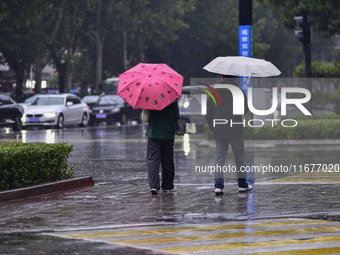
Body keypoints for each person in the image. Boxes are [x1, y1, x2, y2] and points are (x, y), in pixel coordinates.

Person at [206, 76, 252, 195]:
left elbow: (208, 113)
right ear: (235, 77)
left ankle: (218, 186)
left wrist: (213, 127)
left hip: (219, 130)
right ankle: (242, 185)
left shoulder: (214, 92)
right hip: (235, 130)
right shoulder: (239, 91)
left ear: (222, 77)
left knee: (219, 159)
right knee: (240, 158)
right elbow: (245, 110)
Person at [146, 101, 180, 195]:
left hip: (153, 132)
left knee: (153, 159)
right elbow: (176, 116)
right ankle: (167, 185)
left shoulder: (148, 97)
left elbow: (143, 111)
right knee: (167, 159)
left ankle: (154, 186)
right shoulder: (171, 98)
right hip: (167, 132)